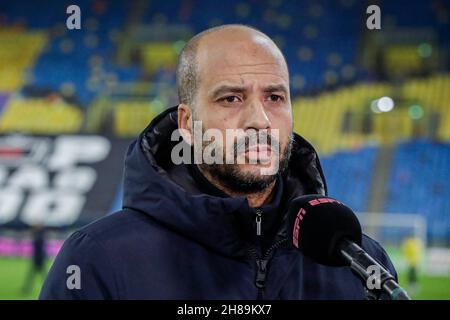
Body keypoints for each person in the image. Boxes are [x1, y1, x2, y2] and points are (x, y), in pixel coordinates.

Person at [40, 24, 397, 299]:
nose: (260, 119)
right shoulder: (99, 259)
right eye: (230, 99)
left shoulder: (360, 263)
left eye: (275, 97)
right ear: (186, 124)